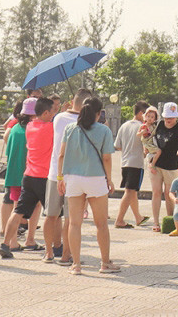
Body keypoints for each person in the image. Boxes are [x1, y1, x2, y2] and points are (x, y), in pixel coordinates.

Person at [55, 97, 118, 274]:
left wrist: (60, 177)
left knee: (74, 223)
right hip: (95, 178)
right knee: (101, 224)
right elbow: (107, 158)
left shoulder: (70, 128)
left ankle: (76, 264)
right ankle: (105, 263)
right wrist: (109, 179)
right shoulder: (104, 130)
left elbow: (61, 155)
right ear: (98, 113)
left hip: (73, 178)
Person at [1, 97, 55, 257]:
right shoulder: (49, 128)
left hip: (26, 175)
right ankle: (50, 251)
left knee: (17, 210)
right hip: (43, 176)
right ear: (44, 112)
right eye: (52, 111)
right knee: (51, 214)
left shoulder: (25, 127)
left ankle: (5, 244)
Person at [44, 88, 91, 264]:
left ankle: (48, 252)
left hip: (55, 173)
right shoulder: (85, 123)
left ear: (72, 102)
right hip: (75, 175)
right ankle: (66, 255)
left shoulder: (59, 118)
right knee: (71, 219)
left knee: (51, 215)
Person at [150, 102, 178, 231]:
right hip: (156, 165)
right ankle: (156, 222)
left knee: (169, 194)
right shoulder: (159, 125)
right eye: (166, 117)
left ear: (176, 117)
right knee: (156, 192)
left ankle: (171, 220)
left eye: (171, 117)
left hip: (171, 167)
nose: (168, 120)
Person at [113, 101, 151, 230]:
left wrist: (128, 149)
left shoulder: (124, 126)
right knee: (129, 191)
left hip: (124, 162)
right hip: (136, 163)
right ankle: (119, 219)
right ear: (141, 113)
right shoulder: (142, 127)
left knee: (132, 190)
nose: (148, 118)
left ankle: (138, 217)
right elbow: (147, 145)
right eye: (146, 114)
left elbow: (117, 146)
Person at [0, 101, 29, 243]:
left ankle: (9, 237)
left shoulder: (15, 126)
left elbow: (7, 141)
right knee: (15, 205)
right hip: (23, 172)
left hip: (13, 171)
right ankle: (13, 236)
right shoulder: (24, 127)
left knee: (13, 204)